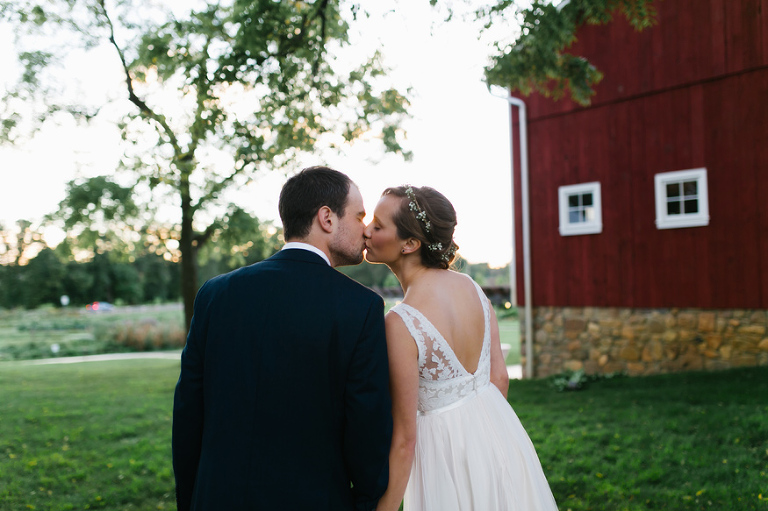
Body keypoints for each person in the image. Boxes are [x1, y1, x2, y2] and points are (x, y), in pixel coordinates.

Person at [172, 166, 393, 511]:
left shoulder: (215, 294)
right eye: (359, 215)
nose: (365, 229)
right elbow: (369, 431)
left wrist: (191, 499)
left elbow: (188, 413)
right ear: (327, 218)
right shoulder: (361, 307)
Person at [364, 185, 558, 511]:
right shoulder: (471, 287)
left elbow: (404, 440)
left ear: (410, 244)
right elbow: (499, 379)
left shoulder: (401, 323)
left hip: (443, 463)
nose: (366, 230)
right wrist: (485, 440)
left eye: (378, 226)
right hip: (500, 442)